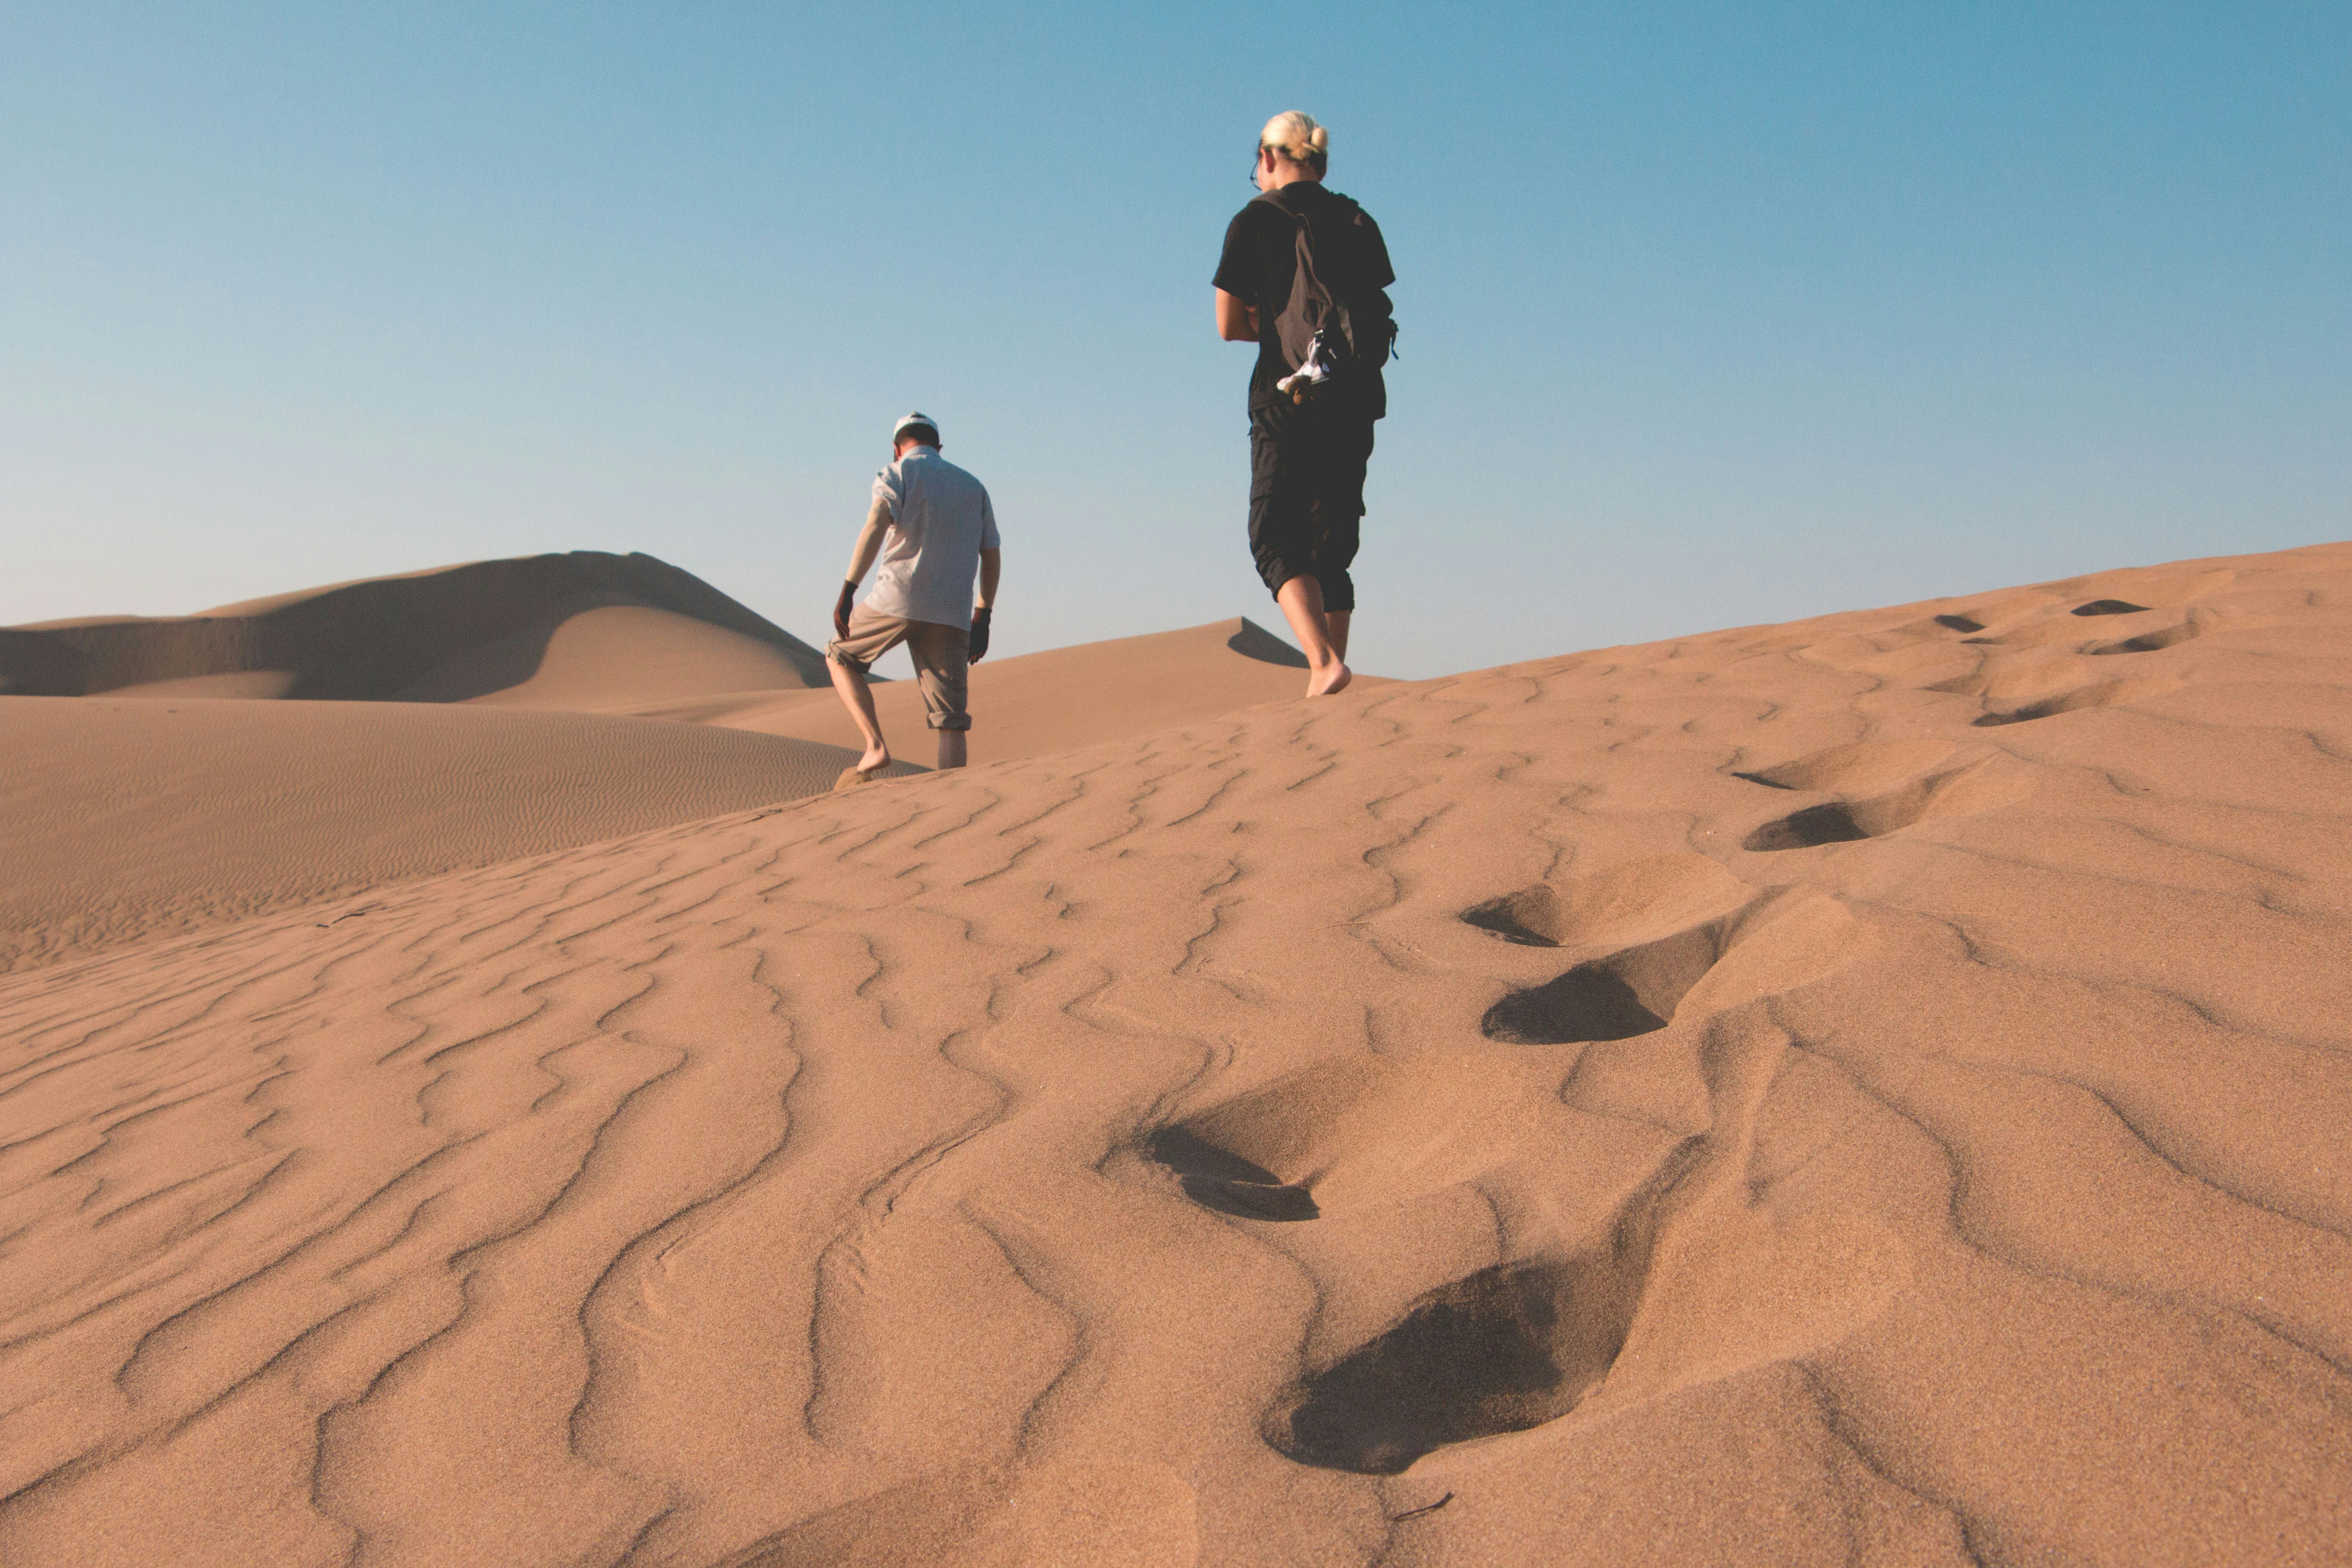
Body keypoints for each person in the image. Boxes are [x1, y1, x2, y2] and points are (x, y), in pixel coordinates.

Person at [1213, 110, 1394, 698]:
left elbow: (1227, 325)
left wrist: (1270, 324)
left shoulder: (1253, 222)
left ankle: (1321, 665)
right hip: (1356, 397)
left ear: (1269, 157)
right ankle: (1334, 676)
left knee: (1273, 537)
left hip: (1286, 396)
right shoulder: (1358, 219)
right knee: (1331, 545)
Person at [826, 412, 1001, 779]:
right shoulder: (974, 487)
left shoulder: (898, 473)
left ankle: (875, 745)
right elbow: (992, 553)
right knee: (951, 721)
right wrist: (983, 615)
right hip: (952, 613)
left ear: (896, 448)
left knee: (840, 656)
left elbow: (876, 523)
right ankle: (952, 803)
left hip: (897, 599)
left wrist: (849, 588)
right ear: (939, 448)